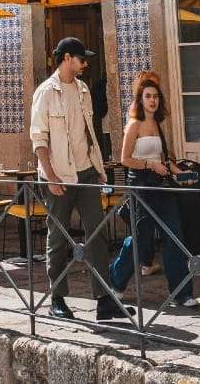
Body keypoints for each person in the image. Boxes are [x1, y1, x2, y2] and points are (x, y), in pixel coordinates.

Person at [30, 37, 131, 321]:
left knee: (97, 232)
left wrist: (98, 169)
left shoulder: (84, 90)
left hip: (85, 171)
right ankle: (57, 298)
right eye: (81, 58)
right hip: (58, 173)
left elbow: (88, 133)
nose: (86, 63)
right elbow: (38, 138)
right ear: (66, 59)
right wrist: (50, 176)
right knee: (58, 236)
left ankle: (104, 299)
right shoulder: (46, 92)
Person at [108, 72, 197, 308]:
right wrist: (150, 165)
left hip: (162, 186)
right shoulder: (134, 125)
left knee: (174, 236)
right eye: (148, 96)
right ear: (140, 99)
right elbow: (125, 159)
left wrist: (180, 174)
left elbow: (163, 158)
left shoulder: (158, 124)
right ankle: (115, 282)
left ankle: (181, 293)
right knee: (141, 240)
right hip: (141, 186)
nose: (153, 100)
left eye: (156, 96)